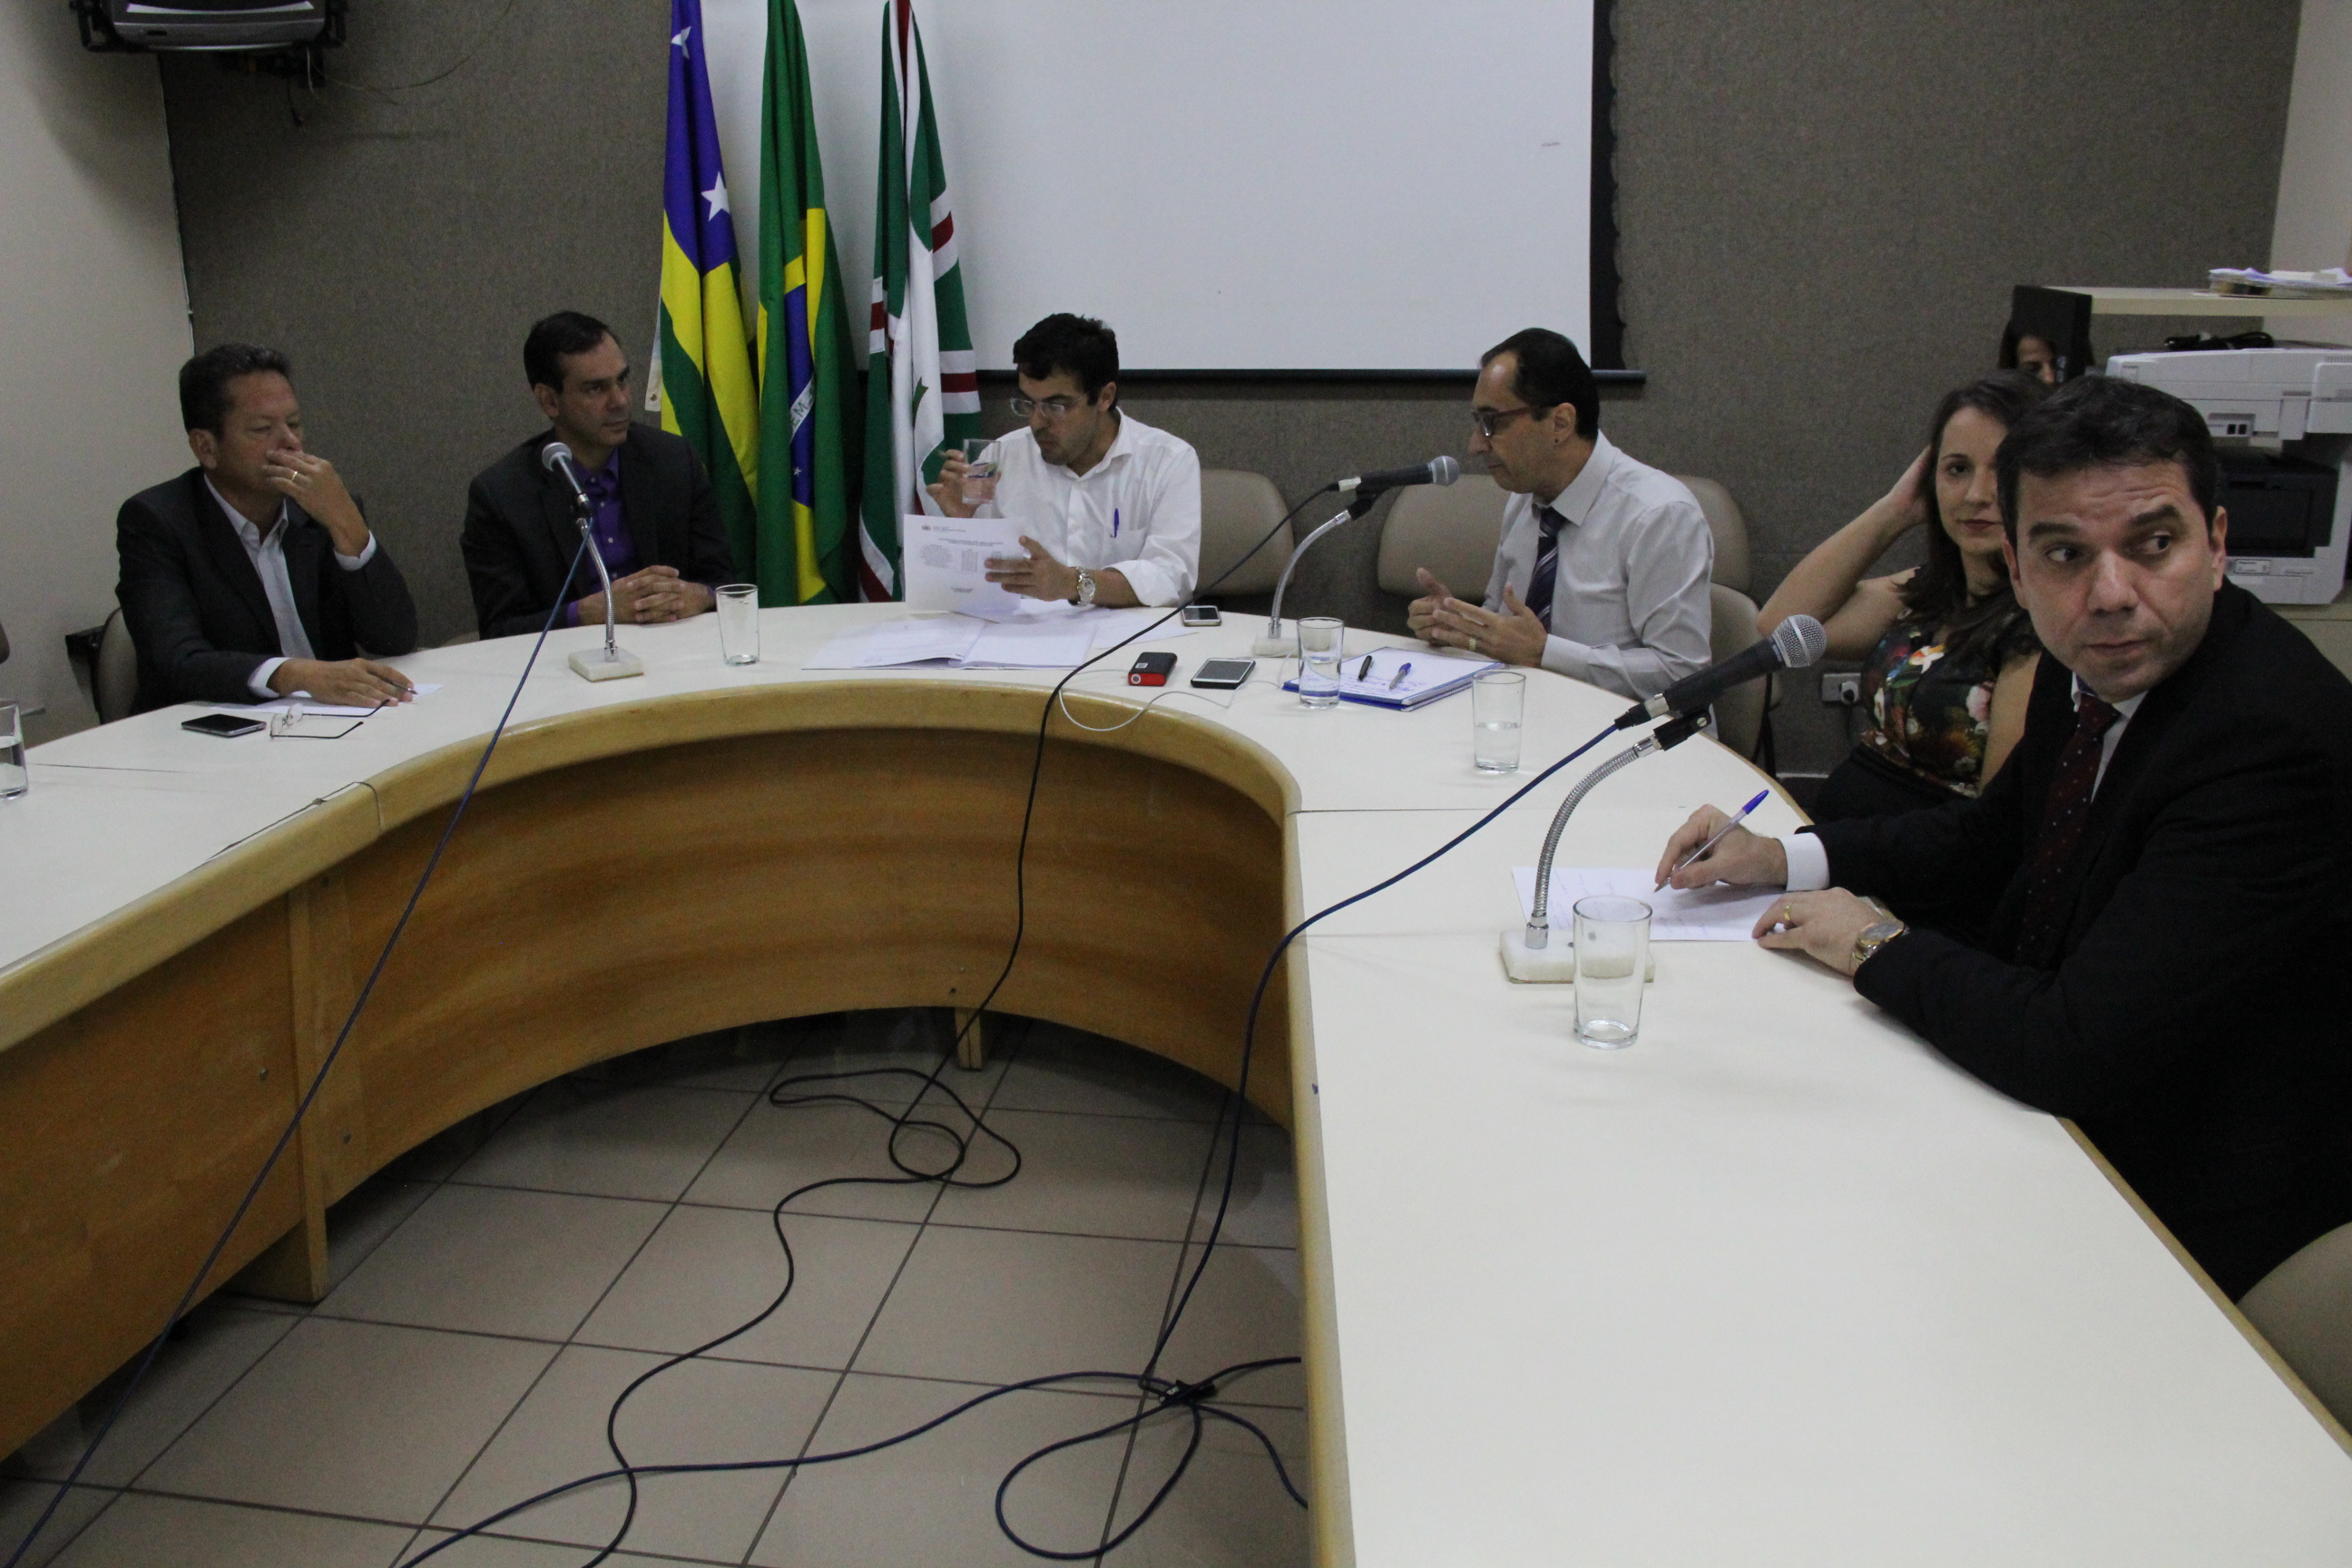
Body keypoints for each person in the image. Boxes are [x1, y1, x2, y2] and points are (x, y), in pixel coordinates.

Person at [1654, 376, 2352, 1298]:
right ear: (2018, 571)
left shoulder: (2267, 743)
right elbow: (1989, 840)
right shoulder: (2092, 665)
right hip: (2069, 1118)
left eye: (2154, 544)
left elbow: (2073, 1046)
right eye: (2065, 554)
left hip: (2192, 1209)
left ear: (2217, 544)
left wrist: (1871, 943)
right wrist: (1786, 857)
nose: (2111, 594)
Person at [1759, 374, 2047, 823]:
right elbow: (1781, 627)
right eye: (1957, 469)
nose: (1976, 495)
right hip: (1838, 838)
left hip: (1916, 860)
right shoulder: (1929, 592)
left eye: (2002, 470)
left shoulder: (2037, 627)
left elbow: (1993, 828)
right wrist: (1896, 509)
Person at [1406, 328, 1711, 701]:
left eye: (1492, 422)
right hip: (1532, 715)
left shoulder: (1658, 515)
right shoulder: (1524, 499)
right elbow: (1503, 622)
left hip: (1629, 729)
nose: (1475, 445)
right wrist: (1457, 624)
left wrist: (1545, 654)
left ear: (1560, 423)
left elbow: (1682, 674)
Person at [116, 344, 419, 713]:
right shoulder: (157, 521)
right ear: (206, 447)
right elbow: (176, 661)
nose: (290, 442)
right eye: (262, 429)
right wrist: (295, 674)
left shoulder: (322, 507)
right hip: (218, 729)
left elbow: (395, 638)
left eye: (294, 423)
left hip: (333, 722)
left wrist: (347, 523)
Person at [461, 311, 737, 640]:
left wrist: (700, 596)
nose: (620, 401)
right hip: (567, 660)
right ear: (549, 401)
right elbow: (499, 629)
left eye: (622, 380)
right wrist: (591, 611)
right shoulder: (501, 496)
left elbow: (725, 583)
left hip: (674, 645)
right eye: (596, 389)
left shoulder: (673, 462)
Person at [927, 313, 1200, 609]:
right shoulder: (998, 457)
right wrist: (961, 525)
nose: (1037, 422)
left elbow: (1172, 579)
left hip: (1127, 633)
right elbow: (973, 586)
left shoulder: (1167, 461)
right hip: (1021, 631)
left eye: (1056, 406)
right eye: (1028, 403)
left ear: (1105, 397)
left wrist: (1071, 583)